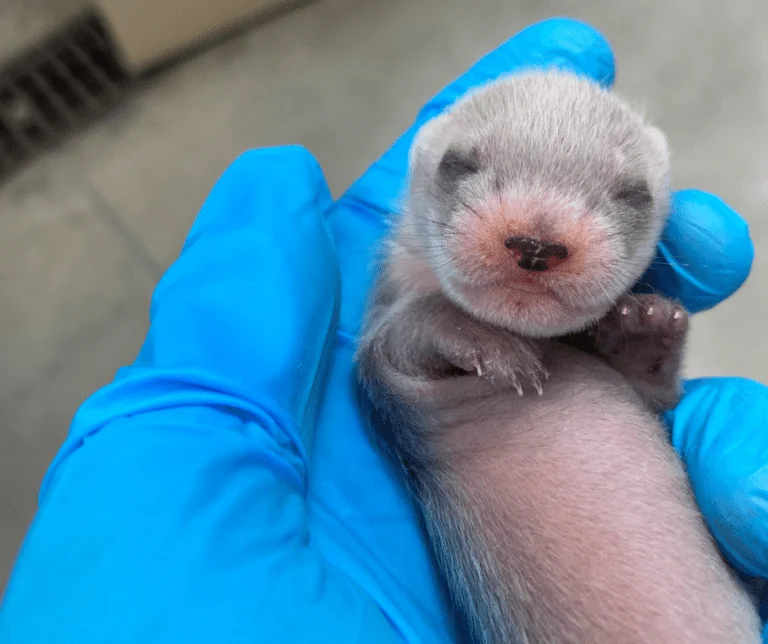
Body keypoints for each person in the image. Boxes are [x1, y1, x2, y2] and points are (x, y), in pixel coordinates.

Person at [1, 16, 767, 643]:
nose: (538, 239)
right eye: (471, 173)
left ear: (660, 206)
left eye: (626, 199)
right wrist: (453, 329)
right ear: (428, 163)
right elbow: (393, 361)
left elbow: (646, 406)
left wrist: (645, 358)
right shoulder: (404, 303)